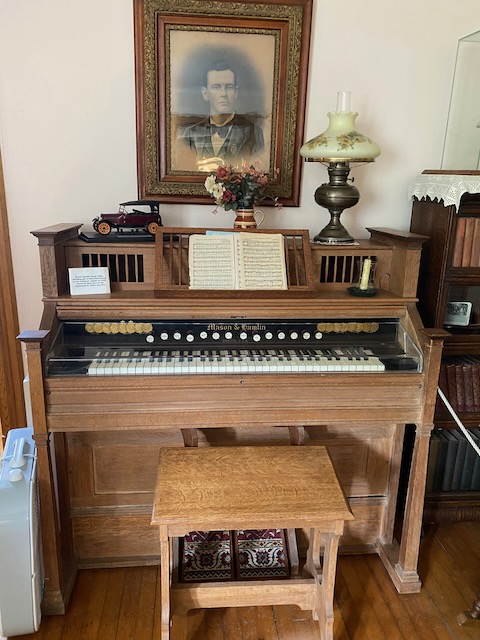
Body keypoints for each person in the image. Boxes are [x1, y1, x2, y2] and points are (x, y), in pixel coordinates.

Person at [177, 61, 265, 171]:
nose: (223, 94)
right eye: (216, 87)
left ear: (236, 92)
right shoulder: (191, 134)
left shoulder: (254, 133)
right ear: (205, 93)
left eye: (229, 87)